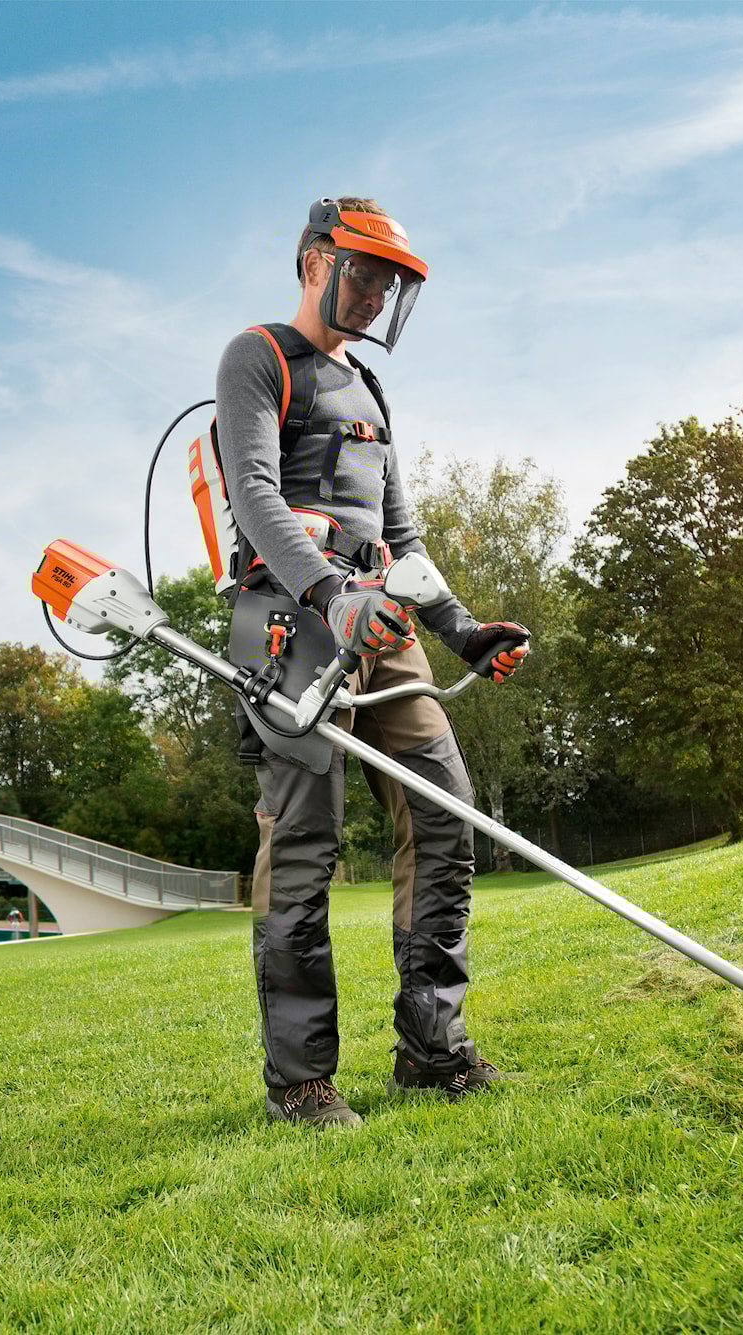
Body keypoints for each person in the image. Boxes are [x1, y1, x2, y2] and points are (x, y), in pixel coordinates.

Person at [215, 198, 533, 1127]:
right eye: (364, 272)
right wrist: (330, 593)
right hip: (293, 624)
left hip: (383, 626)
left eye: (391, 281)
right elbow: (256, 500)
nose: (378, 291)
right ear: (317, 261)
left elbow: (402, 537)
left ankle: (432, 1047)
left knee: (446, 812)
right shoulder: (258, 357)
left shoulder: (374, 393)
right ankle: (301, 1081)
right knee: (305, 846)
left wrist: (465, 631)